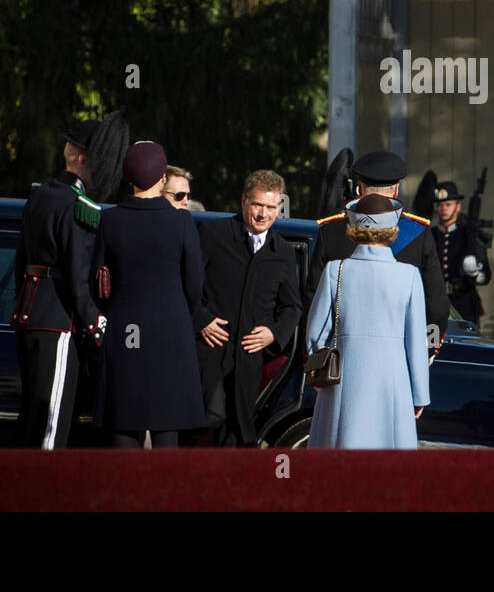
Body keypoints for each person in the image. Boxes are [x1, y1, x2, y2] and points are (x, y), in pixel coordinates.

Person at [92, 141, 206, 448]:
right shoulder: (181, 221)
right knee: (167, 427)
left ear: (128, 178)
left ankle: (122, 495)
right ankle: (164, 496)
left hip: (124, 330)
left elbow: (98, 282)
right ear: (162, 179)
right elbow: (195, 285)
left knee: (123, 424)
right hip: (172, 332)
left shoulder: (110, 219)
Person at [12, 118, 112, 449]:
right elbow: (78, 276)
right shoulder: (78, 206)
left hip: (29, 315)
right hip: (59, 323)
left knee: (31, 417)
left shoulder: (41, 196)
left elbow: (21, 261)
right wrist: (98, 325)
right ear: (84, 158)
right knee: (50, 426)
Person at [306, 194, 430, 449]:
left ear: (354, 228)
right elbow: (416, 343)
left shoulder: (335, 269)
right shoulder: (409, 276)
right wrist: (419, 395)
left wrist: (317, 372)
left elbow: (315, 334)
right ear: (393, 230)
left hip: (341, 380)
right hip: (392, 385)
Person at [193, 169, 301, 446]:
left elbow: (292, 307)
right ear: (243, 202)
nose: (263, 214)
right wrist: (201, 319)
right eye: (257, 205)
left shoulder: (283, 253)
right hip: (209, 354)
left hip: (248, 361)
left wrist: (274, 334)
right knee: (208, 417)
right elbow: (186, 285)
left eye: (270, 207)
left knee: (237, 433)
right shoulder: (212, 235)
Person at [310, 150, 448, 341]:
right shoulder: (418, 233)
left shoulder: (330, 231)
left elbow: (313, 299)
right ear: (396, 189)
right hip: (400, 350)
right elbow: (436, 305)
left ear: (359, 187)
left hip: (340, 353)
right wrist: (427, 348)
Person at [430, 181, 491, 326]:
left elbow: (486, 276)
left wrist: (475, 273)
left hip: (464, 304)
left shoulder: (469, 234)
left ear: (458, 207)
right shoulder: (430, 235)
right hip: (435, 305)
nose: (443, 208)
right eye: (440, 205)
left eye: (448, 204)